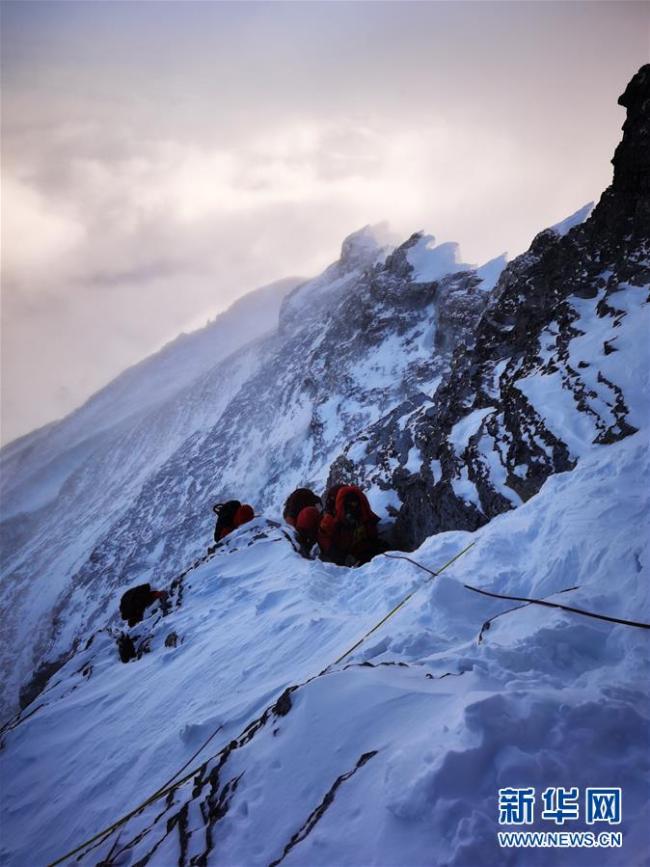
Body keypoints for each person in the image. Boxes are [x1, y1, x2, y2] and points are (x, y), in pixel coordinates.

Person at [318, 485, 381, 567]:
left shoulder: (364, 517)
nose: (353, 508)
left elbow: (371, 537)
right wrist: (341, 557)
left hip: (357, 552)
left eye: (355, 504)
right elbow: (323, 539)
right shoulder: (331, 521)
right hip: (340, 556)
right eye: (350, 505)